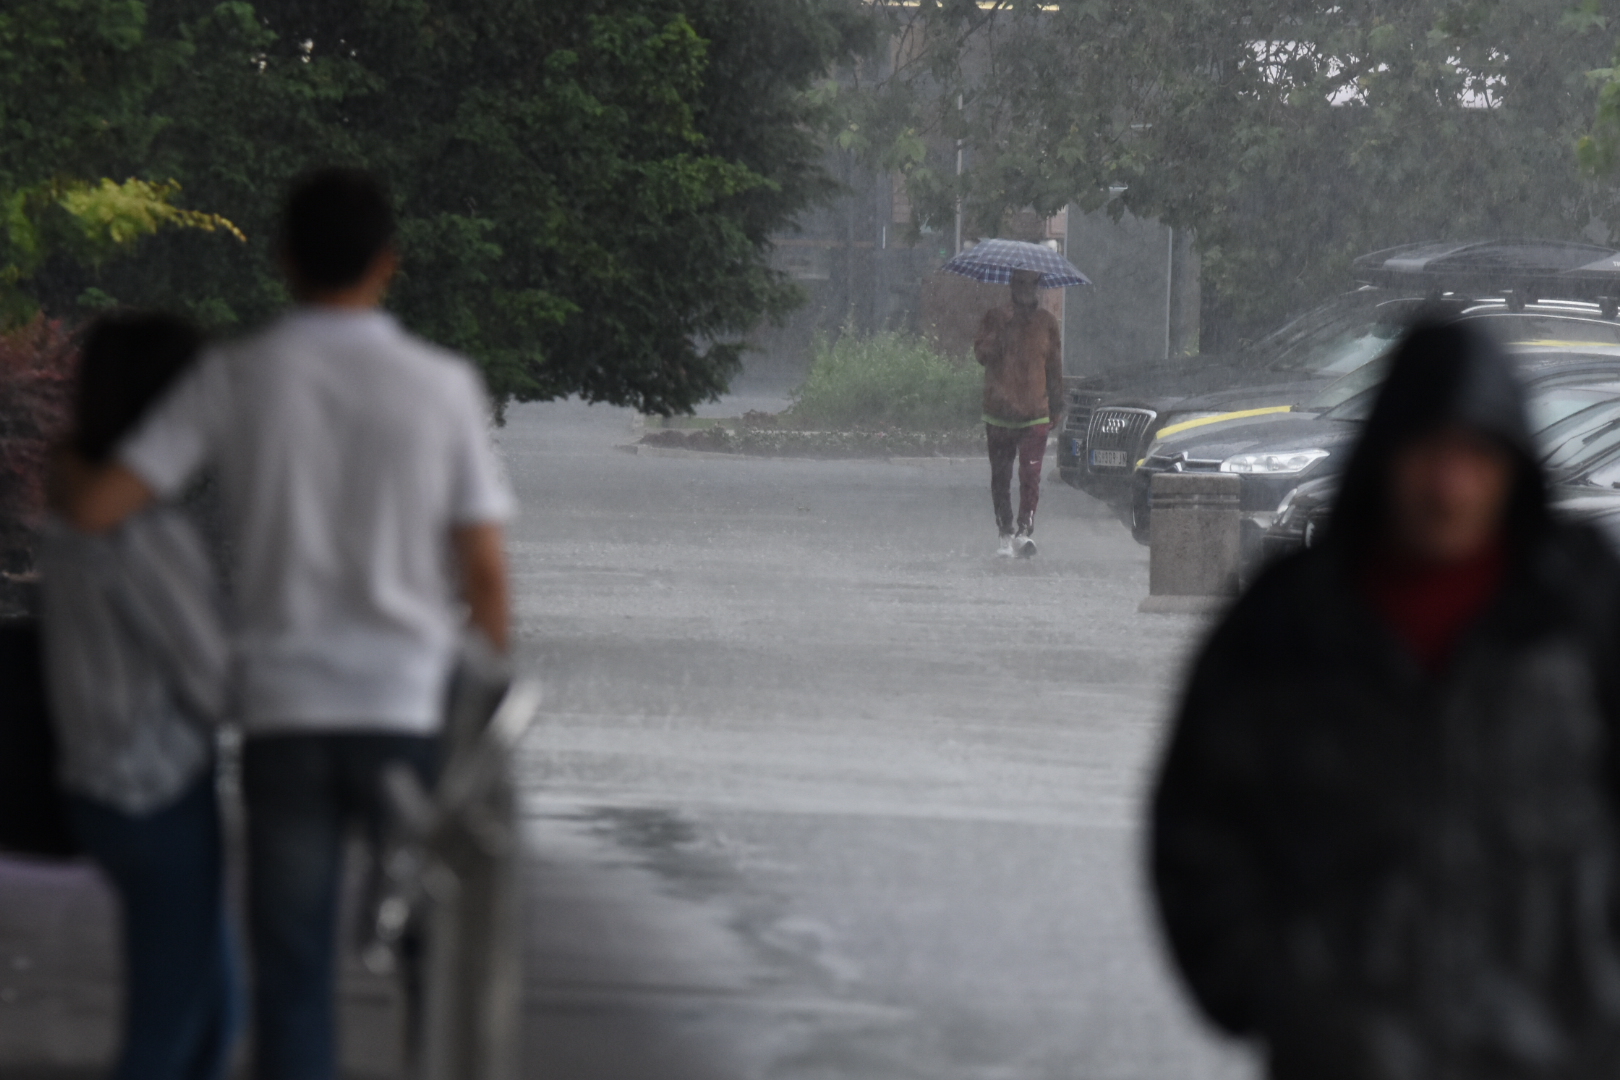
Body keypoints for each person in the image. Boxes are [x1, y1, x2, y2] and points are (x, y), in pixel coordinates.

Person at [57, 168, 515, 1080]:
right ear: (389, 262)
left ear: (281, 258)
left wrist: (64, 472)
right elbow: (488, 579)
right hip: (404, 711)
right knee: (432, 961)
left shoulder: (236, 377)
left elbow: (103, 507)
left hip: (285, 718)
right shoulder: (442, 386)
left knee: (294, 973)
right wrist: (476, 720)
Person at [1151, 319, 1620, 1080]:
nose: (1448, 486)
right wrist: (1273, 993)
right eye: (1426, 453)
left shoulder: (1580, 615)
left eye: (1474, 457)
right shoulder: (1292, 626)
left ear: (1512, 468)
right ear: (1382, 456)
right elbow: (1200, 823)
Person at [38, 312, 241, 1080]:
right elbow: (214, 681)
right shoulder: (145, 538)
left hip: (96, 784)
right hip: (156, 794)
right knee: (173, 1030)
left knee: (206, 1009)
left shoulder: (67, 519)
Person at [974, 267, 1064, 558]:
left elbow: (1054, 367)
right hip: (1000, 411)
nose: (1026, 288)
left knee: (1031, 474)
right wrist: (1002, 329)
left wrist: (1057, 404)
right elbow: (981, 355)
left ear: (1038, 285)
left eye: (1031, 283)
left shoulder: (1046, 323)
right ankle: (1005, 532)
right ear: (1011, 284)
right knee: (1001, 475)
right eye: (1020, 282)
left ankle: (1025, 531)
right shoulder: (995, 317)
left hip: (1035, 411)